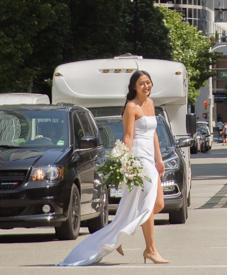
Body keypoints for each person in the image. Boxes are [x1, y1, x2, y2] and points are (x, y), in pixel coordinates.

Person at [58, 70, 168, 266]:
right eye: (142, 83)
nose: (146, 86)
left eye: (148, 82)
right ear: (134, 86)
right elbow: (128, 136)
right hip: (139, 161)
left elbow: (154, 134)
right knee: (148, 206)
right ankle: (150, 249)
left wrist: (159, 159)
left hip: (150, 161)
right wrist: (125, 162)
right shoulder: (131, 107)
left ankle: (121, 233)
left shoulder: (151, 104)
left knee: (157, 204)